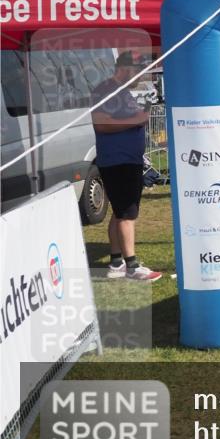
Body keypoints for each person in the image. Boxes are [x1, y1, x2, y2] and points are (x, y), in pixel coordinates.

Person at [90, 52, 161, 281]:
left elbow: (137, 117)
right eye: (137, 69)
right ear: (125, 68)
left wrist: (145, 112)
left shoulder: (128, 91)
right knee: (127, 213)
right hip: (117, 160)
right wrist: (136, 120)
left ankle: (116, 262)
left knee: (119, 212)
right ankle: (132, 266)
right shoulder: (105, 90)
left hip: (129, 159)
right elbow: (100, 124)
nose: (140, 74)